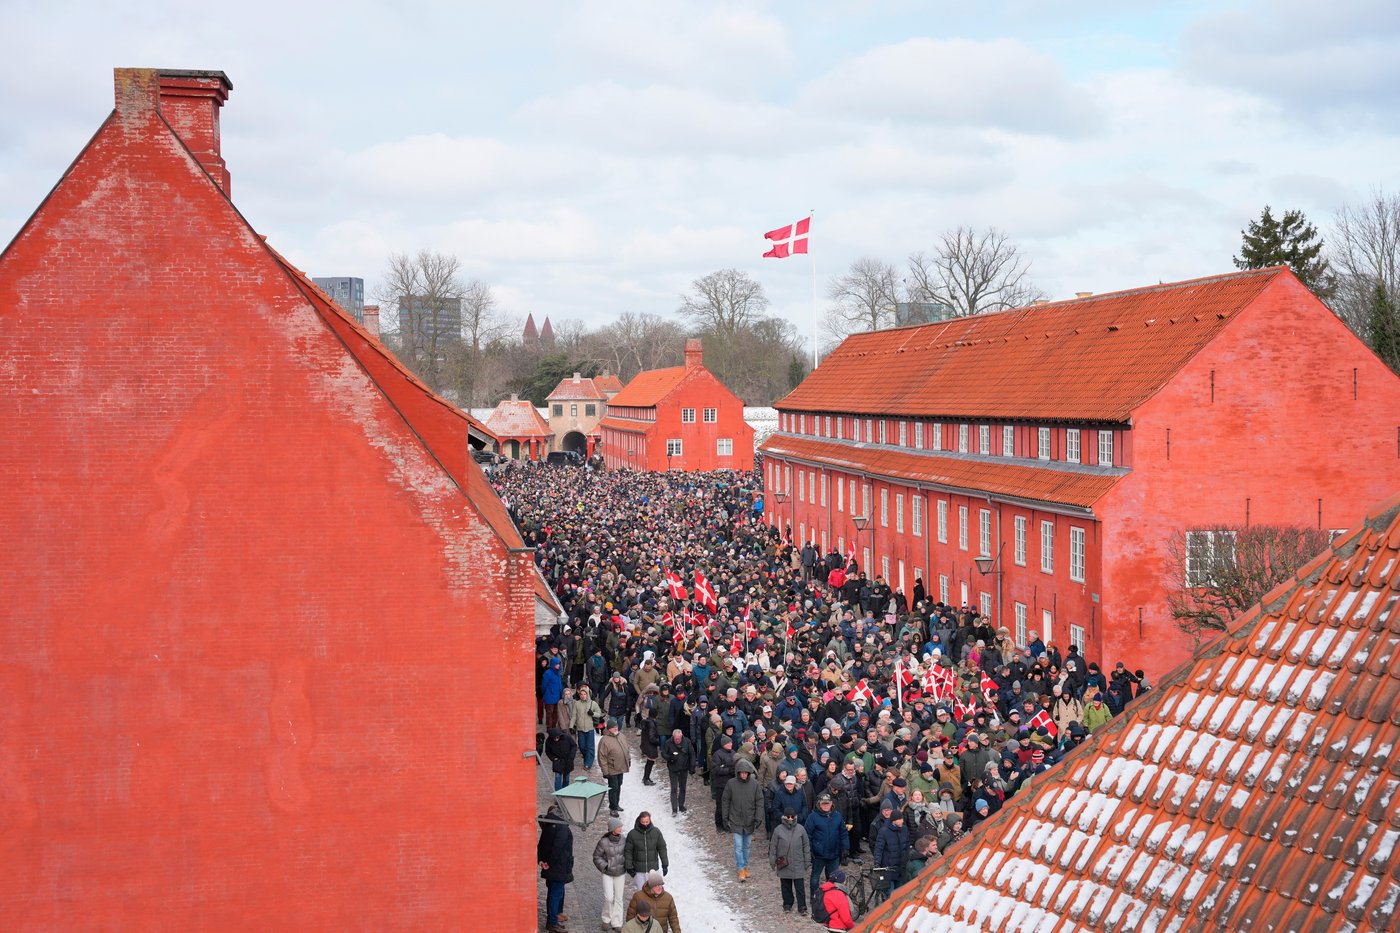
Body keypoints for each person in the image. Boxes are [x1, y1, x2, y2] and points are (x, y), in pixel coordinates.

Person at [722, 758, 764, 882]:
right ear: (738, 773)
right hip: (736, 820)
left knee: (747, 845)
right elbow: (725, 801)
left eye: (746, 773)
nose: (744, 774)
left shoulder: (754, 785)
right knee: (738, 846)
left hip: (749, 820)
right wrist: (725, 817)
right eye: (742, 772)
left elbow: (759, 801)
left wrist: (758, 817)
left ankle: (745, 866)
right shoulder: (731, 784)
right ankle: (741, 868)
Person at [803, 792, 848, 905]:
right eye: (823, 804)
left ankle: (832, 898)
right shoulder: (812, 817)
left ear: (831, 803)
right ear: (819, 804)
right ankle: (814, 898)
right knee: (815, 878)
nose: (826, 806)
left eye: (827, 804)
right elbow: (807, 835)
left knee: (834, 878)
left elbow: (843, 833)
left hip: (834, 853)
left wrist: (846, 848)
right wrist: (810, 850)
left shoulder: (837, 815)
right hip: (819, 854)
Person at [538, 806, 574, 933]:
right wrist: (549, 863)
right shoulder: (561, 826)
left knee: (554, 893)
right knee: (555, 894)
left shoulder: (550, 824)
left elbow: (541, 844)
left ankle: (554, 919)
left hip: (553, 866)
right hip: (558, 866)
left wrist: (542, 860)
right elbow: (557, 847)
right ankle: (552, 923)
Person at [770, 807, 812, 915]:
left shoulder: (801, 829)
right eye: (788, 816)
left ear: (795, 817)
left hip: (798, 862)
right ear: (784, 817)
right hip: (784, 863)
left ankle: (802, 907)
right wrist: (772, 860)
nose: (790, 819)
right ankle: (787, 904)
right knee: (785, 886)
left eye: (792, 817)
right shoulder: (778, 830)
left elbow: (806, 846)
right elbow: (773, 846)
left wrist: (807, 861)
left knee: (800, 887)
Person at [593, 815, 628, 933]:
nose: (621, 828)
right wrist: (605, 866)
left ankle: (617, 922)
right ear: (613, 828)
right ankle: (606, 919)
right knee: (609, 897)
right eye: (619, 826)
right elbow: (596, 856)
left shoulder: (624, 839)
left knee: (619, 898)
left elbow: (628, 854)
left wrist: (627, 864)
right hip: (607, 873)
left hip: (620, 873)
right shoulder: (603, 842)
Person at [623, 812, 669, 893]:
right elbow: (628, 851)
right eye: (643, 822)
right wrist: (629, 867)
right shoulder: (632, 834)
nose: (645, 824)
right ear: (639, 821)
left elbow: (662, 848)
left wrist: (665, 864)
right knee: (641, 893)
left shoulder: (656, 832)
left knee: (655, 892)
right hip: (639, 870)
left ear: (650, 820)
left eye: (647, 822)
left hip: (653, 869)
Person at [873, 808, 909, 896]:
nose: (901, 821)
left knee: (899, 894)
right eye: (899, 819)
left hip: (901, 867)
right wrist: (877, 862)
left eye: (902, 819)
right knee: (889, 895)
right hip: (888, 867)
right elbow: (879, 848)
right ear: (893, 820)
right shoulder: (884, 831)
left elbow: (907, 845)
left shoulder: (904, 829)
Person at [599, 720, 631, 817]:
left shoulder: (621, 736)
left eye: (616, 726)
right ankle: (613, 808)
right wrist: (605, 771)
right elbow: (602, 757)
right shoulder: (604, 740)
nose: (615, 728)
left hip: (620, 767)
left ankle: (616, 804)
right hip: (611, 769)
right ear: (609, 729)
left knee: (619, 785)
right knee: (613, 788)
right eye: (613, 727)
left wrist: (628, 760)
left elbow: (626, 749)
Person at [661, 729, 695, 816]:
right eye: (676, 739)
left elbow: (692, 754)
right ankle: (674, 808)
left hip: (684, 768)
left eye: (679, 739)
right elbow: (663, 753)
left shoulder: (687, 742)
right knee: (674, 789)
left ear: (681, 737)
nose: (677, 740)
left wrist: (692, 766)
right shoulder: (668, 743)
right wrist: (670, 758)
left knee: (683, 788)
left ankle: (681, 805)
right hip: (673, 769)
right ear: (673, 737)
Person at [570, 684, 603, 771]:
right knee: (582, 746)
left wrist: (593, 714)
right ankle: (586, 757)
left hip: (590, 728)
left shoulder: (593, 703)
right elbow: (574, 716)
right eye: (581, 694)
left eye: (585, 694)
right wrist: (571, 726)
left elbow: (599, 713)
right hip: (580, 729)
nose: (583, 696)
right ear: (579, 695)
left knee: (590, 747)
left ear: (587, 694)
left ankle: (588, 763)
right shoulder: (577, 704)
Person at [546, 727, 578, 791]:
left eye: (557, 737)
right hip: (558, 762)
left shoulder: (567, 737)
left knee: (566, 779)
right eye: (554, 738)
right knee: (558, 778)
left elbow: (574, 746)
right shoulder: (549, 741)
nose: (556, 739)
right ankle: (558, 796)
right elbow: (547, 751)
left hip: (568, 761)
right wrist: (553, 758)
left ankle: (565, 793)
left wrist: (571, 757)